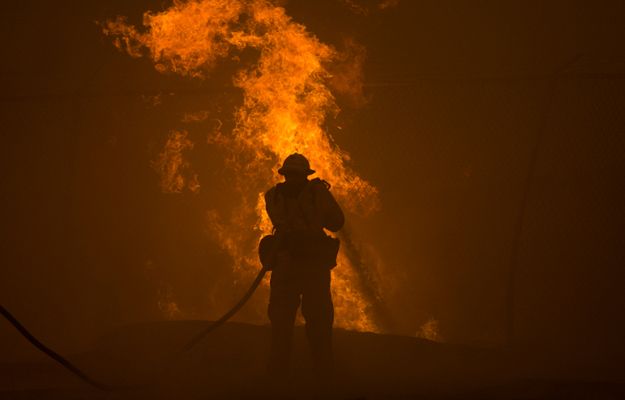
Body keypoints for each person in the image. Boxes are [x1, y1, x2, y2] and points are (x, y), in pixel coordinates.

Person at [264, 153, 344, 384]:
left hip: (294, 265)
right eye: (294, 175)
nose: (294, 179)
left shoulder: (273, 195)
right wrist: (320, 198)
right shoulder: (315, 193)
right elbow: (336, 222)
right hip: (308, 266)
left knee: (289, 321)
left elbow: (336, 223)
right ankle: (317, 374)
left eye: (294, 175)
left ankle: (282, 375)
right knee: (296, 321)